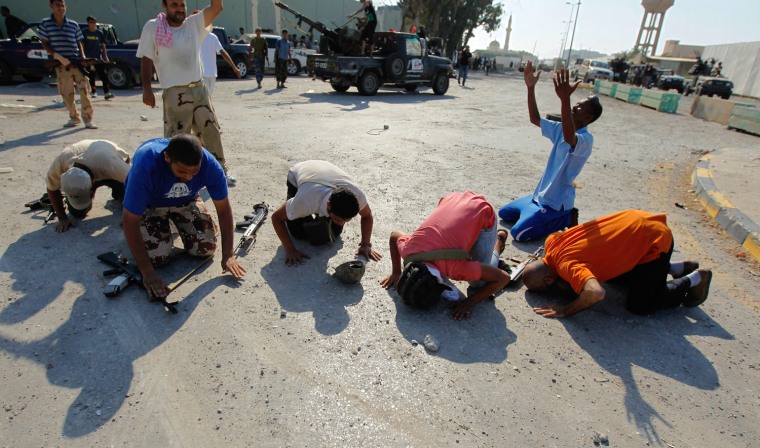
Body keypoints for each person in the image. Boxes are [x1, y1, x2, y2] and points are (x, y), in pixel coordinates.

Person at [523, 210, 713, 318]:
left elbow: (596, 293)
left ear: (549, 279)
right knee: (610, 277)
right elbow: (568, 229)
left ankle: (696, 278)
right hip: (637, 221)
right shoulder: (551, 242)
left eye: (543, 290)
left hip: (655, 240)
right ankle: (675, 267)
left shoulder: (568, 266)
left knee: (640, 305)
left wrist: (565, 310)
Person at [121, 134, 245, 299]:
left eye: (194, 172)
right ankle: (163, 223)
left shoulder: (211, 166)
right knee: (157, 258)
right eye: (181, 171)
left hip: (187, 200)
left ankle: (183, 219)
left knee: (205, 249)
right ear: (167, 158)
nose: (188, 177)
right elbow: (130, 221)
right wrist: (147, 272)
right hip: (151, 204)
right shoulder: (147, 163)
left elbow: (223, 209)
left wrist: (228, 254)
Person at [498, 61, 602, 242]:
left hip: (555, 204)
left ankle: (566, 218)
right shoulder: (562, 128)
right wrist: (530, 88)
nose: (574, 107)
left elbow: (570, 138)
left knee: (518, 234)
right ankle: (534, 209)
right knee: (504, 214)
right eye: (575, 104)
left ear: (588, 117)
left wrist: (564, 99)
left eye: (579, 107)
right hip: (538, 198)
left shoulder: (586, 140)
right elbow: (535, 119)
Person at [136, 0, 237, 185]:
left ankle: (219, 172)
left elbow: (217, 8)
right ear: (164, 5)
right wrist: (147, 89)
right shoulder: (153, 27)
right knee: (177, 139)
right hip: (175, 93)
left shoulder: (193, 24)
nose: (180, 9)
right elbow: (147, 59)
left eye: (182, 5)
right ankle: (176, 178)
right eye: (175, 5)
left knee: (211, 132)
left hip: (199, 89)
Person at [380, 191, 511, 320]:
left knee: (478, 284)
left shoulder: (455, 269)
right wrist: (396, 272)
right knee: (460, 247)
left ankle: (498, 241)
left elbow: (503, 278)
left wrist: (469, 302)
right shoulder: (408, 252)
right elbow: (394, 235)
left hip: (483, 212)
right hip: (451, 200)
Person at [271, 160, 382, 266]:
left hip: (325, 171)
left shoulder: (358, 196)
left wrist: (365, 244)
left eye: (346, 220)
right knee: (298, 233)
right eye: (338, 219)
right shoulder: (305, 200)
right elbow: (276, 218)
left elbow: (367, 216)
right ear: (329, 205)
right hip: (298, 175)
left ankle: (314, 216)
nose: (342, 223)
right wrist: (290, 250)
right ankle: (292, 207)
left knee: (334, 232)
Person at [45, 139, 131, 232]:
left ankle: (118, 191)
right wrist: (62, 218)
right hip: (91, 161)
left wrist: (130, 217)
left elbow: (137, 182)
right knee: (78, 212)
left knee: (128, 202)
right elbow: (51, 188)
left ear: (91, 187)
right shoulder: (61, 164)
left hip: (108, 164)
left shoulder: (112, 165)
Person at [38, 0, 97, 129]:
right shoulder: (46, 24)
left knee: (84, 90)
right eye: (57, 5)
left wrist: (83, 58)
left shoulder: (73, 24)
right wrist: (57, 56)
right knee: (66, 93)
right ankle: (73, 117)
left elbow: (79, 42)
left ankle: (88, 119)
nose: (60, 8)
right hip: (60, 64)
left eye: (62, 5)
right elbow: (45, 42)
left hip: (76, 62)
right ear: (51, 6)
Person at [199, 26, 241, 95]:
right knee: (207, 98)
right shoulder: (213, 37)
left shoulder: (196, 37)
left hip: (201, 74)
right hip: (211, 74)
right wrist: (235, 68)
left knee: (203, 100)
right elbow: (223, 53)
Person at [82, 16, 114, 100]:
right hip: (89, 59)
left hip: (98, 58)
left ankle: (106, 93)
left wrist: (105, 56)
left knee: (104, 75)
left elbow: (103, 45)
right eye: (91, 22)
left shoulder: (99, 33)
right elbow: (82, 45)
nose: (93, 24)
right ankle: (93, 91)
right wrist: (83, 57)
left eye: (94, 22)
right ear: (88, 23)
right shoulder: (84, 33)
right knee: (91, 75)